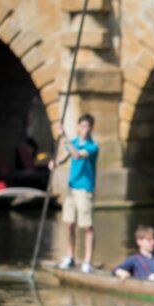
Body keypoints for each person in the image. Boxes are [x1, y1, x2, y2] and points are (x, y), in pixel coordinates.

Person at [51, 113, 99, 273]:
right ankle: (70, 257)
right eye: (83, 126)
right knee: (69, 224)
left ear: (91, 128)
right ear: (78, 127)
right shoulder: (74, 142)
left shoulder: (93, 146)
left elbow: (77, 155)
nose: (85, 129)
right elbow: (65, 157)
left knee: (87, 226)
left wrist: (64, 137)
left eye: (88, 126)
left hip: (85, 189)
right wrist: (55, 163)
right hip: (71, 188)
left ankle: (87, 261)